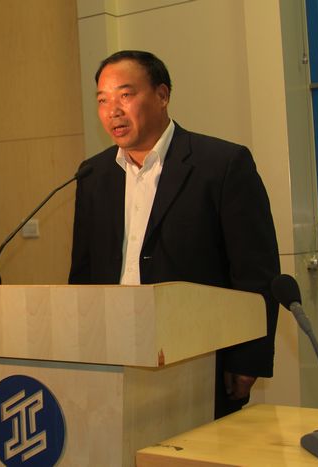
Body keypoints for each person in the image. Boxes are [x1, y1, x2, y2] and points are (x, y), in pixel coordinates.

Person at [69, 50, 280, 418]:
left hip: (197, 356)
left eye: (125, 95)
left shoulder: (222, 164)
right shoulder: (93, 174)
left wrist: (248, 359)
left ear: (162, 95)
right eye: (102, 100)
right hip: (113, 355)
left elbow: (255, 271)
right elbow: (83, 272)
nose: (112, 111)